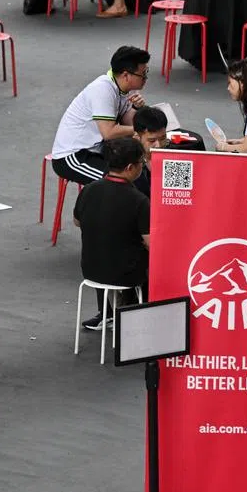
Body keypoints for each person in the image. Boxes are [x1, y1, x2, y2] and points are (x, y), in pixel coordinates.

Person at [73, 137, 151, 330]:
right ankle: (140, 318)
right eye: (141, 163)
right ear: (131, 167)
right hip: (126, 275)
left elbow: (77, 221)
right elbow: (151, 243)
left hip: (91, 270)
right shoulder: (139, 200)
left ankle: (108, 314)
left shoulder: (88, 189)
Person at [50, 46, 151, 185]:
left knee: (141, 174)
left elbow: (128, 122)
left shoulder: (125, 89)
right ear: (126, 75)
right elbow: (109, 132)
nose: (146, 78)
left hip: (99, 149)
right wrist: (142, 130)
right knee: (121, 181)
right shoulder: (103, 89)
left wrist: (136, 108)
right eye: (143, 74)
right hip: (74, 155)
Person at [131, 105, 168, 197]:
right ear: (137, 137)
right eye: (152, 140)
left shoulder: (173, 155)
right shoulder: (129, 164)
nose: (158, 145)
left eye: (163, 138)